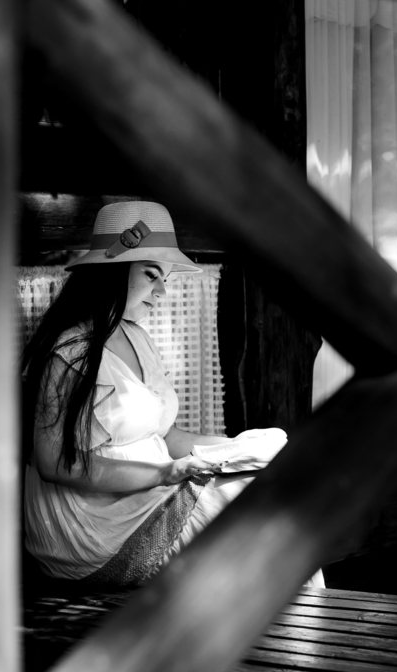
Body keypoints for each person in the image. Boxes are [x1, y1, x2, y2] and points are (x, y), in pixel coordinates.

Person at [22, 200, 323, 587]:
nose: (162, 290)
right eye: (151, 275)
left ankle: (300, 619)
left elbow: (167, 437)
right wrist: (164, 473)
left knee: (280, 478)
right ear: (112, 271)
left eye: (163, 278)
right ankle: (306, 621)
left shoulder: (136, 337)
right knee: (264, 505)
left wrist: (237, 446)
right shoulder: (69, 352)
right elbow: (53, 463)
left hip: (150, 496)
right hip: (93, 525)